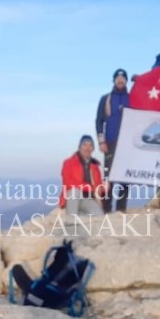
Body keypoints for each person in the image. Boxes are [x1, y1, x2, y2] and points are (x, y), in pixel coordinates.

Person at [96, 68, 131, 213]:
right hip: (110, 143)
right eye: (118, 78)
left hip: (128, 144)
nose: (120, 81)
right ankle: (106, 209)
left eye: (123, 79)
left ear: (126, 81)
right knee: (108, 178)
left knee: (125, 177)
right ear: (114, 80)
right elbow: (99, 121)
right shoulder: (106, 99)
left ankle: (121, 209)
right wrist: (101, 141)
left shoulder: (133, 98)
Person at [59, 135, 105, 216]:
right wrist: (88, 187)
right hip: (73, 197)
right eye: (84, 145)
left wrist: (104, 188)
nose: (87, 148)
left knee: (99, 215)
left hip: (88, 199)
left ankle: (79, 215)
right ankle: (72, 217)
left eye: (90, 145)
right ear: (80, 147)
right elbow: (68, 183)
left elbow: (98, 187)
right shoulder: (69, 162)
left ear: (93, 149)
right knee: (74, 191)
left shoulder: (95, 166)